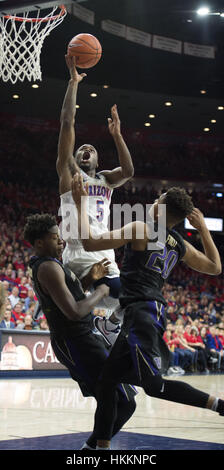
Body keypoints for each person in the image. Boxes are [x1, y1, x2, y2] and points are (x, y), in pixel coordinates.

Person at [72, 173, 223, 449]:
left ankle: (219, 405)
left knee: (154, 386)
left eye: (158, 199)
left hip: (142, 313)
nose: (154, 200)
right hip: (146, 313)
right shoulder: (179, 243)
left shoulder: (142, 227)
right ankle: (96, 447)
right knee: (107, 384)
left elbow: (90, 243)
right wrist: (202, 229)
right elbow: (215, 267)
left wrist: (81, 204)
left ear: (162, 209)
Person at [23, 213, 136, 450]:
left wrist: (90, 279)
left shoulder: (51, 265)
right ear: (40, 242)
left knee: (120, 398)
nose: (61, 241)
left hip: (81, 337)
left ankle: (91, 449)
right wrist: (101, 292)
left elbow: (71, 298)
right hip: (74, 340)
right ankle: (92, 449)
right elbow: (74, 311)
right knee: (121, 399)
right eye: (55, 238)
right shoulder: (48, 268)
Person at [57, 55, 134, 345]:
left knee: (134, 305)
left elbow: (128, 171)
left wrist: (117, 135)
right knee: (76, 315)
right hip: (78, 251)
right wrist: (73, 82)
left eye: (90, 148)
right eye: (81, 149)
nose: (85, 148)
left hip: (104, 253)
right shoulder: (68, 174)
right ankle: (100, 331)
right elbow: (67, 123)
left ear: (98, 160)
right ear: (74, 158)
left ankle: (109, 327)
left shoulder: (105, 179)